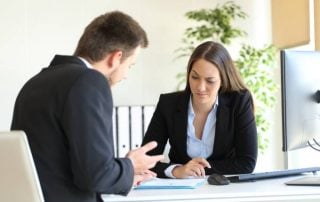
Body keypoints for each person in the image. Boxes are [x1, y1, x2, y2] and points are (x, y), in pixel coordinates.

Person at [11, 11, 164, 202]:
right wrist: (131, 165)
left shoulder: (34, 83)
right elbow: (95, 175)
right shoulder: (89, 81)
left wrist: (123, 176)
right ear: (116, 57)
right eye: (130, 65)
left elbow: (61, 164)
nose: (126, 75)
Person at [142, 41, 257, 179]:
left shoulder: (239, 102)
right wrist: (177, 170)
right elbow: (146, 160)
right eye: (195, 77)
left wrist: (197, 170)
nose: (200, 87)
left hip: (224, 188)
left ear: (223, 80)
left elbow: (247, 163)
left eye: (210, 81)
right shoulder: (168, 104)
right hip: (180, 190)